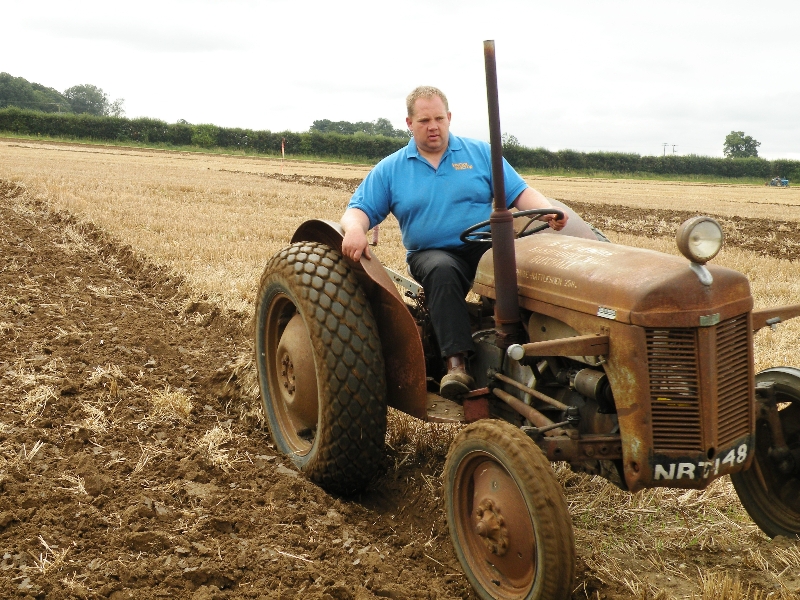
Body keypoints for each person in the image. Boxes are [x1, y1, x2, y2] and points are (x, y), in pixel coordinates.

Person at [340, 86, 567, 399]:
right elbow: (358, 210)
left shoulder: (480, 154)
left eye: (438, 118)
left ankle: (536, 351)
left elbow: (520, 193)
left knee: (524, 264)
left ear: (449, 118)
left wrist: (548, 212)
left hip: (482, 244)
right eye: (423, 121)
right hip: (431, 253)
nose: (433, 126)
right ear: (409, 122)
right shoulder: (392, 168)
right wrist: (354, 229)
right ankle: (457, 366)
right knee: (443, 271)